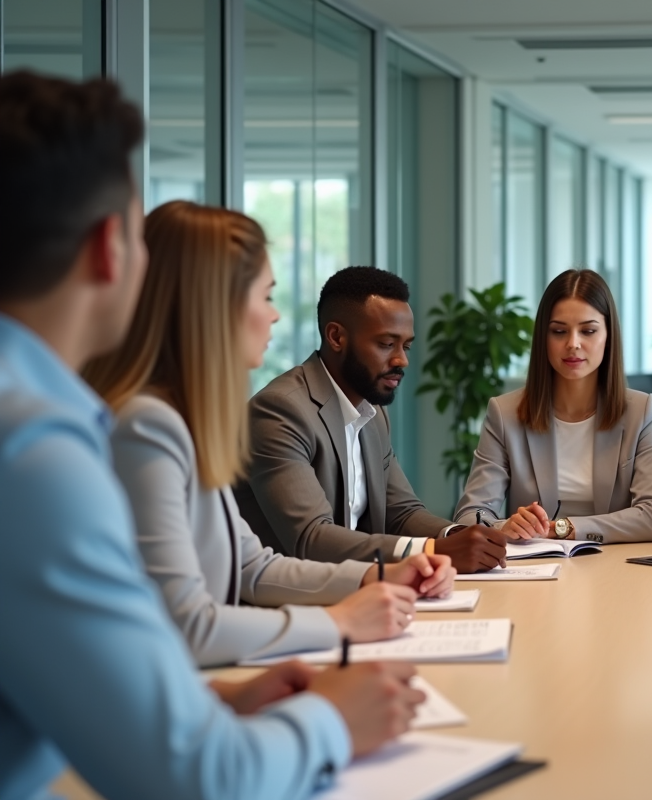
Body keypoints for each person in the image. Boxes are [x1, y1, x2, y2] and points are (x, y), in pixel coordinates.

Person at [0, 71, 422, 800]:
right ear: (109, 249)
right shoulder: (41, 453)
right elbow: (196, 775)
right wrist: (331, 717)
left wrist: (215, 700)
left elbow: (243, 570)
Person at [83, 201, 455, 668]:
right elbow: (188, 626)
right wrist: (340, 622)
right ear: (213, 307)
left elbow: (252, 566)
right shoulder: (147, 426)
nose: (275, 316)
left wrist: (377, 577)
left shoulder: (183, 422)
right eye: (266, 296)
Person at [235, 266, 508, 573]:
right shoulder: (280, 411)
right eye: (386, 344)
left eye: (406, 346)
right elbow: (311, 538)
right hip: (287, 596)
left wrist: (457, 535)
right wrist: (432, 550)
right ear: (336, 336)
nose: (402, 360)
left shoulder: (372, 411)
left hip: (359, 588)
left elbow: (401, 512)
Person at [452, 269, 652, 543]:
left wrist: (564, 528)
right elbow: (469, 515)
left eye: (588, 331)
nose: (573, 344)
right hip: (537, 563)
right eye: (558, 331)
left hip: (615, 561)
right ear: (543, 338)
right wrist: (503, 526)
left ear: (608, 336)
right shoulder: (504, 413)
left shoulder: (641, 411)